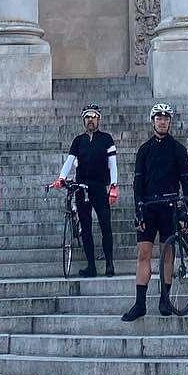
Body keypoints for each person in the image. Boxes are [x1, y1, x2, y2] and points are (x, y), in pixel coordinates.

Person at [122, 102, 188, 322]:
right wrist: (138, 211)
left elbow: (186, 183)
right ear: (153, 121)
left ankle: (165, 298)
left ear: (170, 122)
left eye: (166, 118)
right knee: (143, 254)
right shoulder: (144, 150)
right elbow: (137, 183)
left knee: (167, 254)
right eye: (159, 118)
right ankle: (140, 303)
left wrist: (185, 211)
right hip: (149, 207)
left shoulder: (179, 149)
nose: (162, 122)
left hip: (170, 207)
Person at [52, 105, 120, 276]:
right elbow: (70, 161)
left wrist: (113, 185)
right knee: (86, 227)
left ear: (99, 119)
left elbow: (113, 164)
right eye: (87, 117)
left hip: (99, 186)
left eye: (94, 116)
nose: (90, 119)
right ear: (84, 120)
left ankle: (109, 264)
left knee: (106, 225)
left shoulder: (106, 139)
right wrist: (61, 177)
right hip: (81, 187)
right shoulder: (78, 140)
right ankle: (91, 266)